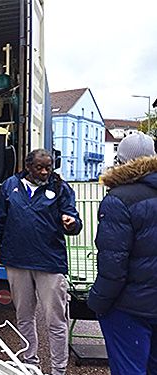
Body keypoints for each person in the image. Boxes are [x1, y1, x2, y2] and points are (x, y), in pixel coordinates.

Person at [0, 148, 82, 375]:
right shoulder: (11, 185)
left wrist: (72, 223)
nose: (44, 172)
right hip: (16, 261)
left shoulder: (60, 187)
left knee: (56, 321)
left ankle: (58, 370)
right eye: (39, 167)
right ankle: (29, 364)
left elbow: (74, 219)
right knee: (24, 317)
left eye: (48, 167)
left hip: (50, 263)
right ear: (28, 167)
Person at [87, 131, 157, 375]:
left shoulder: (119, 200)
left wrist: (97, 302)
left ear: (120, 161)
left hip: (130, 307)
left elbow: (113, 266)